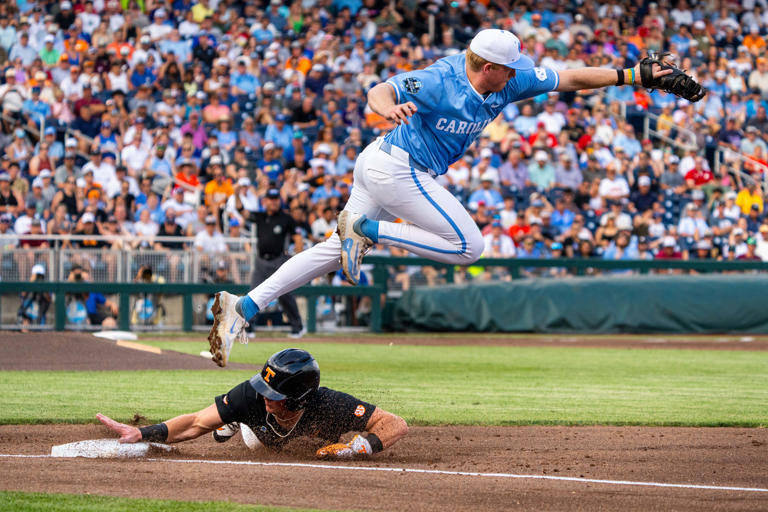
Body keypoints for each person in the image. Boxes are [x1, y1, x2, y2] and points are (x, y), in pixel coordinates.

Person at [208, 28, 676, 366]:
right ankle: (365, 231)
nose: (518, 74)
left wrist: (631, 73)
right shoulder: (441, 79)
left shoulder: (509, 79)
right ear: (487, 67)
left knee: (332, 251)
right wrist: (387, 108)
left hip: (384, 165)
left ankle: (243, 308)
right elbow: (380, 89)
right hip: (395, 165)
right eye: (509, 69)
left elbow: (570, 78)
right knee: (468, 247)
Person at [96, 348, 408, 459]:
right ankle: (234, 419)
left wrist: (360, 446)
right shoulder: (251, 395)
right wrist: (142, 433)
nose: (264, 396)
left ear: (298, 398)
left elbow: (396, 423)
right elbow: (195, 424)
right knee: (247, 433)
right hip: (259, 437)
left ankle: (235, 418)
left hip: (288, 438)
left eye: (274, 394)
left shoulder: (329, 403)